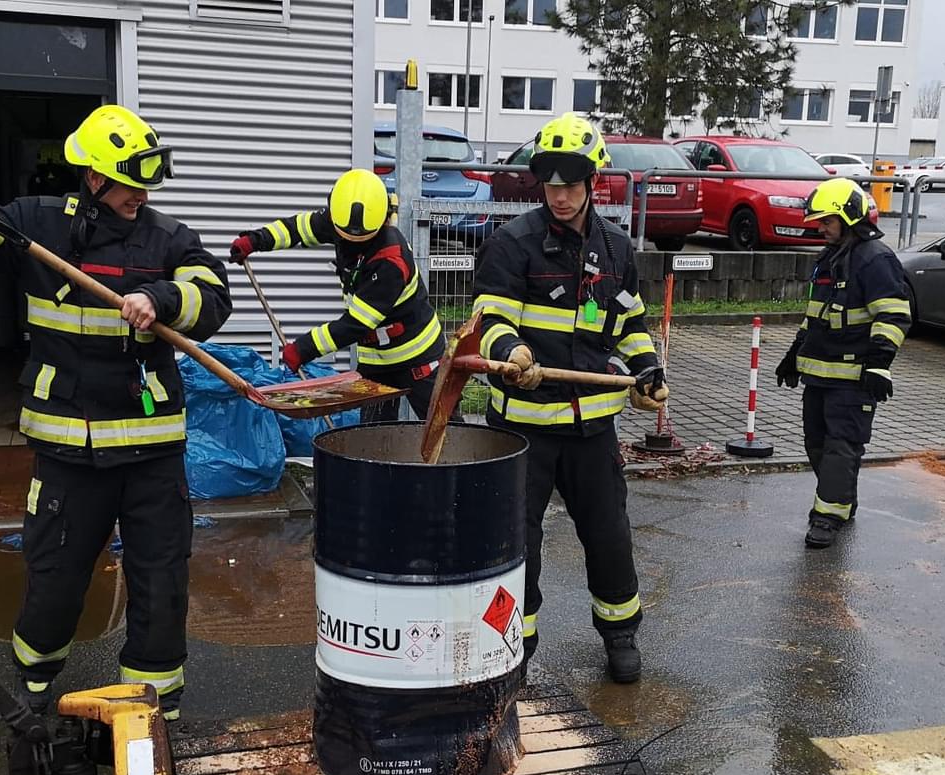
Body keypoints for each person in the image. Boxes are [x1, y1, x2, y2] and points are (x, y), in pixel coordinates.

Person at [0, 105, 233, 720]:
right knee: (55, 575)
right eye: (130, 184)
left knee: (161, 581)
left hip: (151, 453)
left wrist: (162, 297)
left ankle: (154, 710)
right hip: (70, 453)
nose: (142, 196)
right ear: (94, 178)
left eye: (147, 184)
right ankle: (35, 692)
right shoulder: (36, 226)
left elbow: (212, 296)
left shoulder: (169, 238)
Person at [472, 112, 667, 684]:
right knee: (515, 544)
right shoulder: (512, 244)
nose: (559, 196)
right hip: (524, 429)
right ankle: (513, 647)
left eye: (571, 185)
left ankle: (620, 634)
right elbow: (489, 320)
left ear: (592, 183)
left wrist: (646, 368)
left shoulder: (616, 248)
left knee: (609, 536)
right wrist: (511, 351)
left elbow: (629, 323)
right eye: (550, 185)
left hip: (592, 431)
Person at [228, 168, 451, 422]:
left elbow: (356, 324)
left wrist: (304, 348)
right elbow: (297, 229)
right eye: (344, 238)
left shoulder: (390, 261)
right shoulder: (340, 219)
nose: (350, 244)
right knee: (372, 436)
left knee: (446, 429)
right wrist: (255, 240)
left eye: (361, 240)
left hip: (417, 358)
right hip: (375, 361)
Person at [774, 176, 911, 550]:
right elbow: (815, 316)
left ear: (849, 217)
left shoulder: (876, 260)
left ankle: (827, 517)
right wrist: (794, 355)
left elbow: (894, 315)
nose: (821, 228)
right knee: (817, 444)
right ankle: (841, 500)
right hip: (819, 375)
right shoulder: (829, 259)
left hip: (854, 378)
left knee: (840, 446)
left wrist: (879, 364)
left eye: (827, 221)